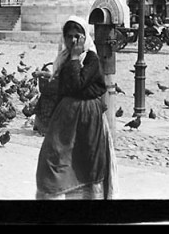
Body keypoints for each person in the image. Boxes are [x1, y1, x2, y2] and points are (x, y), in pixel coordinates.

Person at [35, 15, 118, 200]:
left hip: (88, 119)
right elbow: (64, 87)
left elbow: (75, 85)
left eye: (77, 36)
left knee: (85, 164)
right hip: (66, 118)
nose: (72, 40)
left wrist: (74, 58)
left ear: (84, 37)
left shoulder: (90, 59)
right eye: (69, 36)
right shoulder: (63, 57)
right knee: (53, 161)